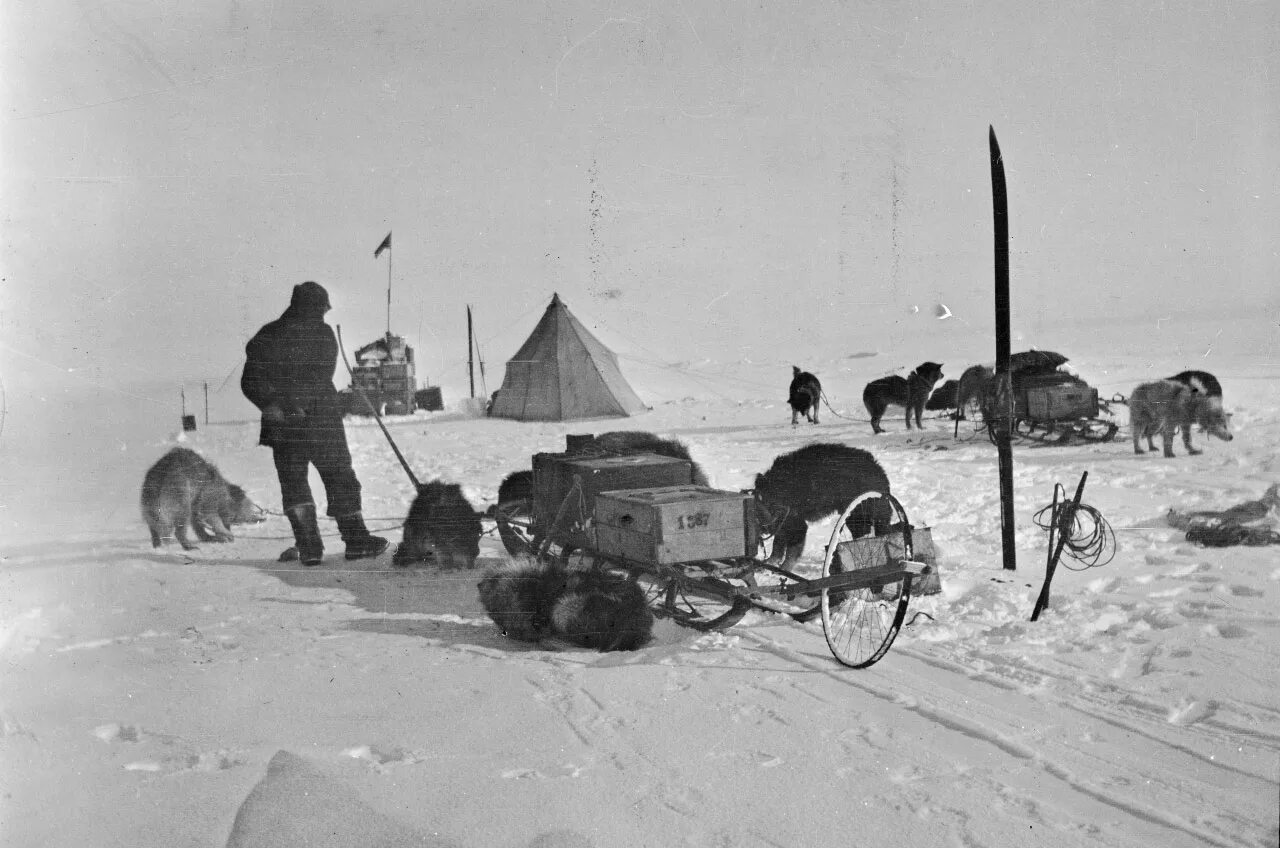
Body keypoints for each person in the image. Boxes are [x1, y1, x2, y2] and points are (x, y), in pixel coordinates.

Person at [241, 281, 388, 565]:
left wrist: (272, 404)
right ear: (317, 307)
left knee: (293, 482)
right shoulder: (321, 333)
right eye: (322, 308)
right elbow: (318, 377)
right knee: (339, 475)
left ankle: (309, 549)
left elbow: (248, 381)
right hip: (320, 420)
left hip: (282, 425)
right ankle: (357, 542)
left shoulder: (267, 335)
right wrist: (297, 405)